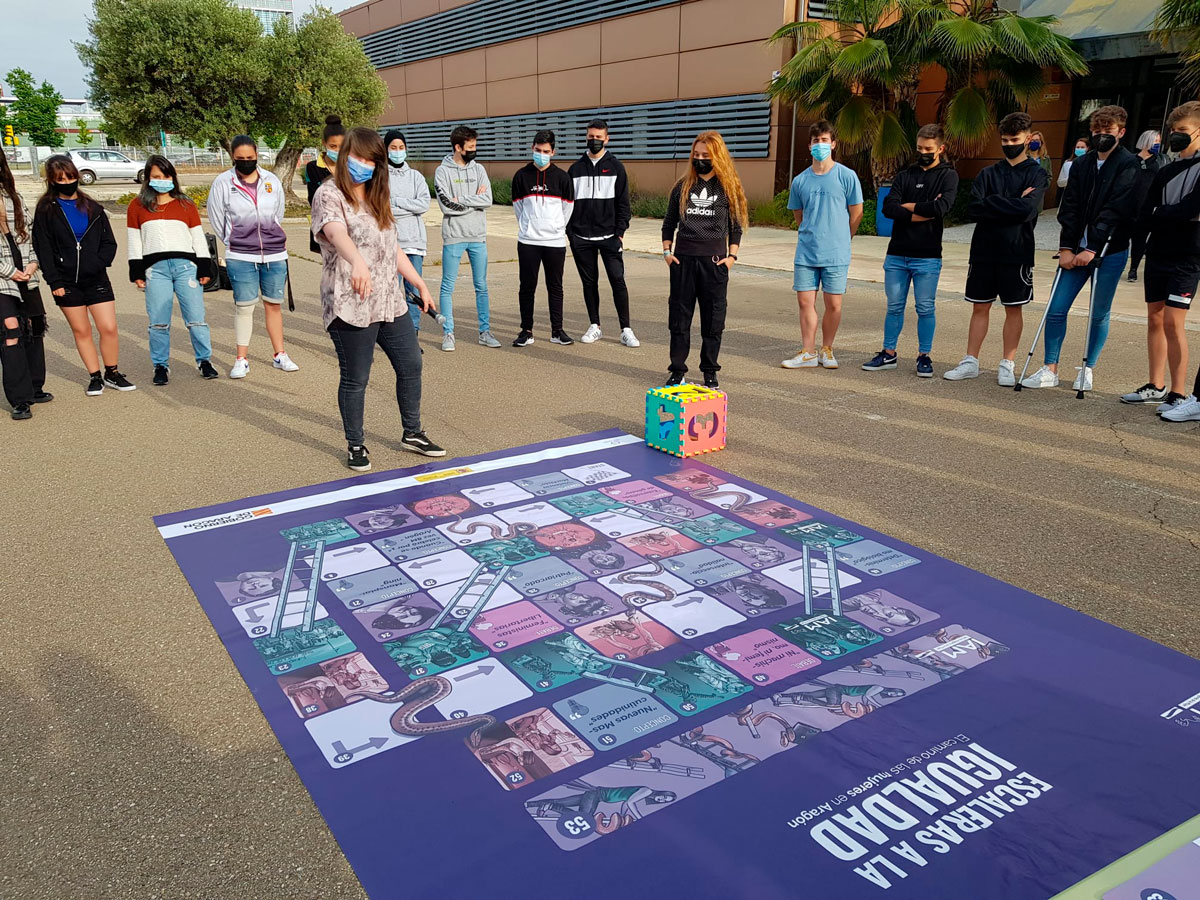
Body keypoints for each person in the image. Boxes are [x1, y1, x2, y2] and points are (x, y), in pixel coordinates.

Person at [311, 126, 447, 471]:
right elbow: (334, 232)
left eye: (372, 160)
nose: (364, 165)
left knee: (411, 363)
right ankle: (355, 443)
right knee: (357, 376)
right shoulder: (329, 194)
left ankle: (412, 431)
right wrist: (356, 260)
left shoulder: (376, 195)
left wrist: (419, 283)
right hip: (350, 300)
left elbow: (392, 247)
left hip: (389, 299)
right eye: (358, 157)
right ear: (344, 157)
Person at [1020, 105, 1139, 392]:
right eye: (1096, 131)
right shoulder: (1081, 164)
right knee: (1057, 308)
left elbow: (1116, 210)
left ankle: (1088, 368)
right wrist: (1066, 248)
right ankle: (1050, 367)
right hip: (1075, 248)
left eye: (1107, 131)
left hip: (1108, 251)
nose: (1100, 136)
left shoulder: (1128, 164)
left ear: (1120, 132)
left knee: (1098, 313)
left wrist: (1093, 248)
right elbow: (1069, 206)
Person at [943, 112, 1049, 384]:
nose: (1009, 143)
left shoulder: (1037, 173)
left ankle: (1007, 364)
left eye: (1014, 139)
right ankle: (970, 361)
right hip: (984, 251)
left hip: (1017, 251)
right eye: (1004, 139)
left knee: (1014, 308)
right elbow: (974, 208)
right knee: (980, 306)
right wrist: (1012, 202)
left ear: (1027, 138)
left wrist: (995, 202)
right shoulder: (988, 172)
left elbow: (1028, 210)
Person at [32, 154, 134, 396]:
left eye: (70, 177)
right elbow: (43, 248)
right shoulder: (46, 209)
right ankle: (94, 376)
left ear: (77, 176)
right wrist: (54, 280)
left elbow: (109, 242)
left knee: (108, 327)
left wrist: (98, 263)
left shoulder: (93, 208)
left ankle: (112, 372)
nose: (67, 182)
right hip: (65, 282)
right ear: (52, 181)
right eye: (60, 179)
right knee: (82, 330)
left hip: (96, 278)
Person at [1122, 101, 1200, 414]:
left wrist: (1162, 214)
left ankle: (1179, 393)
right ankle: (1156, 384)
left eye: (1182, 131)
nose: (1175, 136)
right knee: (1154, 316)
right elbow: (1145, 214)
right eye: (1173, 131)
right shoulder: (1165, 169)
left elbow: (1189, 209)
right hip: (1158, 251)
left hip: (1189, 254)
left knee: (1172, 320)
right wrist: (1164, 215)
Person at [863, 124, 958, 377]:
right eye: (919, 148)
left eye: (928, 148)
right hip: (897, 255)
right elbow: (889, 208)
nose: (923, 152)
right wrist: (921, 211)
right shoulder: (905, 175)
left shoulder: (948, 176)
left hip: (927, 257)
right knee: (894, 306)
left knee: (925, 307)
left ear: (940, 148)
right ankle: (889, 353)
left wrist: (908, 208)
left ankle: (924, 356)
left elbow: (941, 208)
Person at [207, 135, 298, 378]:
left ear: (257, 155)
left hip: (274, 253)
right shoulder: (223, 183)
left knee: (273, 305)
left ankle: (280, 354)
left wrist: (270, 237)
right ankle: (241, 359)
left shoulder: (271, 180)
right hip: (241, 255)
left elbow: (278, 212)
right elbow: (216, 217)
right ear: (233, 158)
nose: (246, 162)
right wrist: (232, 240)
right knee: (244, 307)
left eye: (250, 158)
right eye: (240, 159)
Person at [661, 130, 747, 388]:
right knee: (679, 319)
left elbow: (736, 227)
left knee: (713, 320)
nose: (699, 159)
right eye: (696, 155)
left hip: (714, 263)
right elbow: (669, 223)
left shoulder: (727, 188)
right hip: (683, 261)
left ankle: (710, 371)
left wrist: (731, 257)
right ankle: (677, 370)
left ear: (717, 156)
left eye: (705, 155)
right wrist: (667, 253)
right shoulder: (682, 186)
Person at [127, 154, 218, 386]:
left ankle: (204, 360)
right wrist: (136, 271)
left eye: (166, 175)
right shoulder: (137, 206)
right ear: (147, 178)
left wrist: (204, 266)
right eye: (156, 176)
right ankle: (160, 365)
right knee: (158, 321)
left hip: (186, 267)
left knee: (196, 318)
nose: (162, 180)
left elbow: (197, 237)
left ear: (173, 177)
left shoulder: (185, 204)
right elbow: (134, 240)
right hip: (155, 269)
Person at [780, 121, 864, 370]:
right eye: (816, 141)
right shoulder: (800, 181)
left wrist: (843, 237)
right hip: (807, 252)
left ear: (834, 143)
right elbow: (799, 215)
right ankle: (808, 351)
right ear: (809, 145)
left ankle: (827, 349)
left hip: (836, 252)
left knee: (834, 304)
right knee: (805, 302)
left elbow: (856, 212)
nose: (820, 145)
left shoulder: (847, 176)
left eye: (825, 140)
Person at [567, 118, 638, 347]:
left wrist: (619, 233)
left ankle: (626, 329)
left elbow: (623, 204)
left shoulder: (616, 167)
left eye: (599, 137)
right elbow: (567, 204)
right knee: (590, 283)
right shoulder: (575, 169)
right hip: (582, 238)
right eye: (591, 136)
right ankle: (594, 325)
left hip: (609, 238)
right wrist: (572, 235)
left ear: (607, 139)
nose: (594, 140)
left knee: (618, 281)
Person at [434, 125, 498, 351]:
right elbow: (446, 206)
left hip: (477, 236)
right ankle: (448, 333)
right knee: (447, 286)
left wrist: (461, 197)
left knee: (481, 286)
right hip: (454, 236)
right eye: (470, 147)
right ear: (457, 147)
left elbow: (488, 199)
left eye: (475, 146)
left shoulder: (479, 169)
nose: (474, 151)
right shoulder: (442, 172)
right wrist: (472, 200)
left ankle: (485, 332)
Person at [512, 129, 575, 348]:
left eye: (546, 151)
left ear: (553, 151)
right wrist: (530, 226)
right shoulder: (521, 176)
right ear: (532, 149)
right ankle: (526, 330)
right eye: (538, 150)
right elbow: (518, 208)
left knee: (555, 287)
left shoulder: (563, 177)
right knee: (527, 287)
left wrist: (555, 228)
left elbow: (568, 209)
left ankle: (557, 330)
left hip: (555, 242)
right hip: (528, 241)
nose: (541, 154)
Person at [0, 148, 50, 419]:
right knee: (10, 329)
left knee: (34, 324)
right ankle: (19, 399)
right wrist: (9, 271)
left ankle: (34, 386)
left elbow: (29, 235)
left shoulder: (14, 197)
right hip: (2, 278)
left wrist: (32, 265)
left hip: (25, 272)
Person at [383, 129, 432, 330]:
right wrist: (408, 207)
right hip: (391, 243)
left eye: (401, 147)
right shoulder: (380, 176)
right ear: (386, 150)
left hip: (414, 243)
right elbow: (383, 208)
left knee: (414, 293)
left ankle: (413, 334)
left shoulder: (416, 177)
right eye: (393, 148)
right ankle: (394, 334)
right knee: (392, 293)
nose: (397, 151)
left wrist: (396, 201)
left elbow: (424, 204)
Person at [305, 115, 345, 254]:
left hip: (349, 228)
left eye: (342, 146)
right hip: (325, 228)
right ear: (324, 143)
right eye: (333, 146)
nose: (338, 150)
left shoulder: (352, 167)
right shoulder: (313, 167)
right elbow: (314, 198)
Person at [1127, 129, 1162, 283]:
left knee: (1139, 240)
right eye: (1155, 142)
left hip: (1146, 207)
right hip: (1128, 205)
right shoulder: (1131, 160)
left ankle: (1133, 268)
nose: (1157, 145)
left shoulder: (1159, 161)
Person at [1028, 130, 1053, 211]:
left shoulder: (1046, 159)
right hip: (1024, 193)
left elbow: (1049, 176)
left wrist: (1042, 187)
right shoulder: (1023, 157)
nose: (1034, 142)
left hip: (1038, 194)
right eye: (1032, 140)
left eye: (1036, 140)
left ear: (1041, 143)